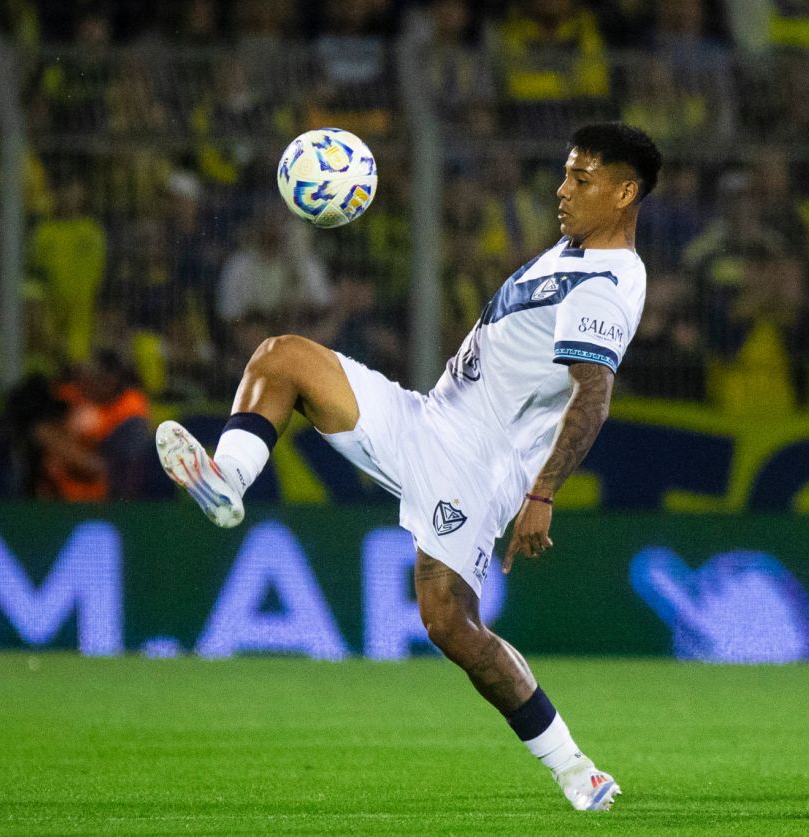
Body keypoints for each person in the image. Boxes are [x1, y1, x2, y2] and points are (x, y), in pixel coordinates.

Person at [155, 123, 662, 812]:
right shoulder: (570, 254)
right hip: (429, 417)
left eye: (581, 178)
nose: (561, 190)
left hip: (476, 463)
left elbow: (593, 395)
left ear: (625, 192)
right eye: (565, 174)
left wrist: (542, 491)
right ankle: (228, 481)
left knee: (449, 623)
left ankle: (576, 769)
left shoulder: (606, 282)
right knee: (281, 357)